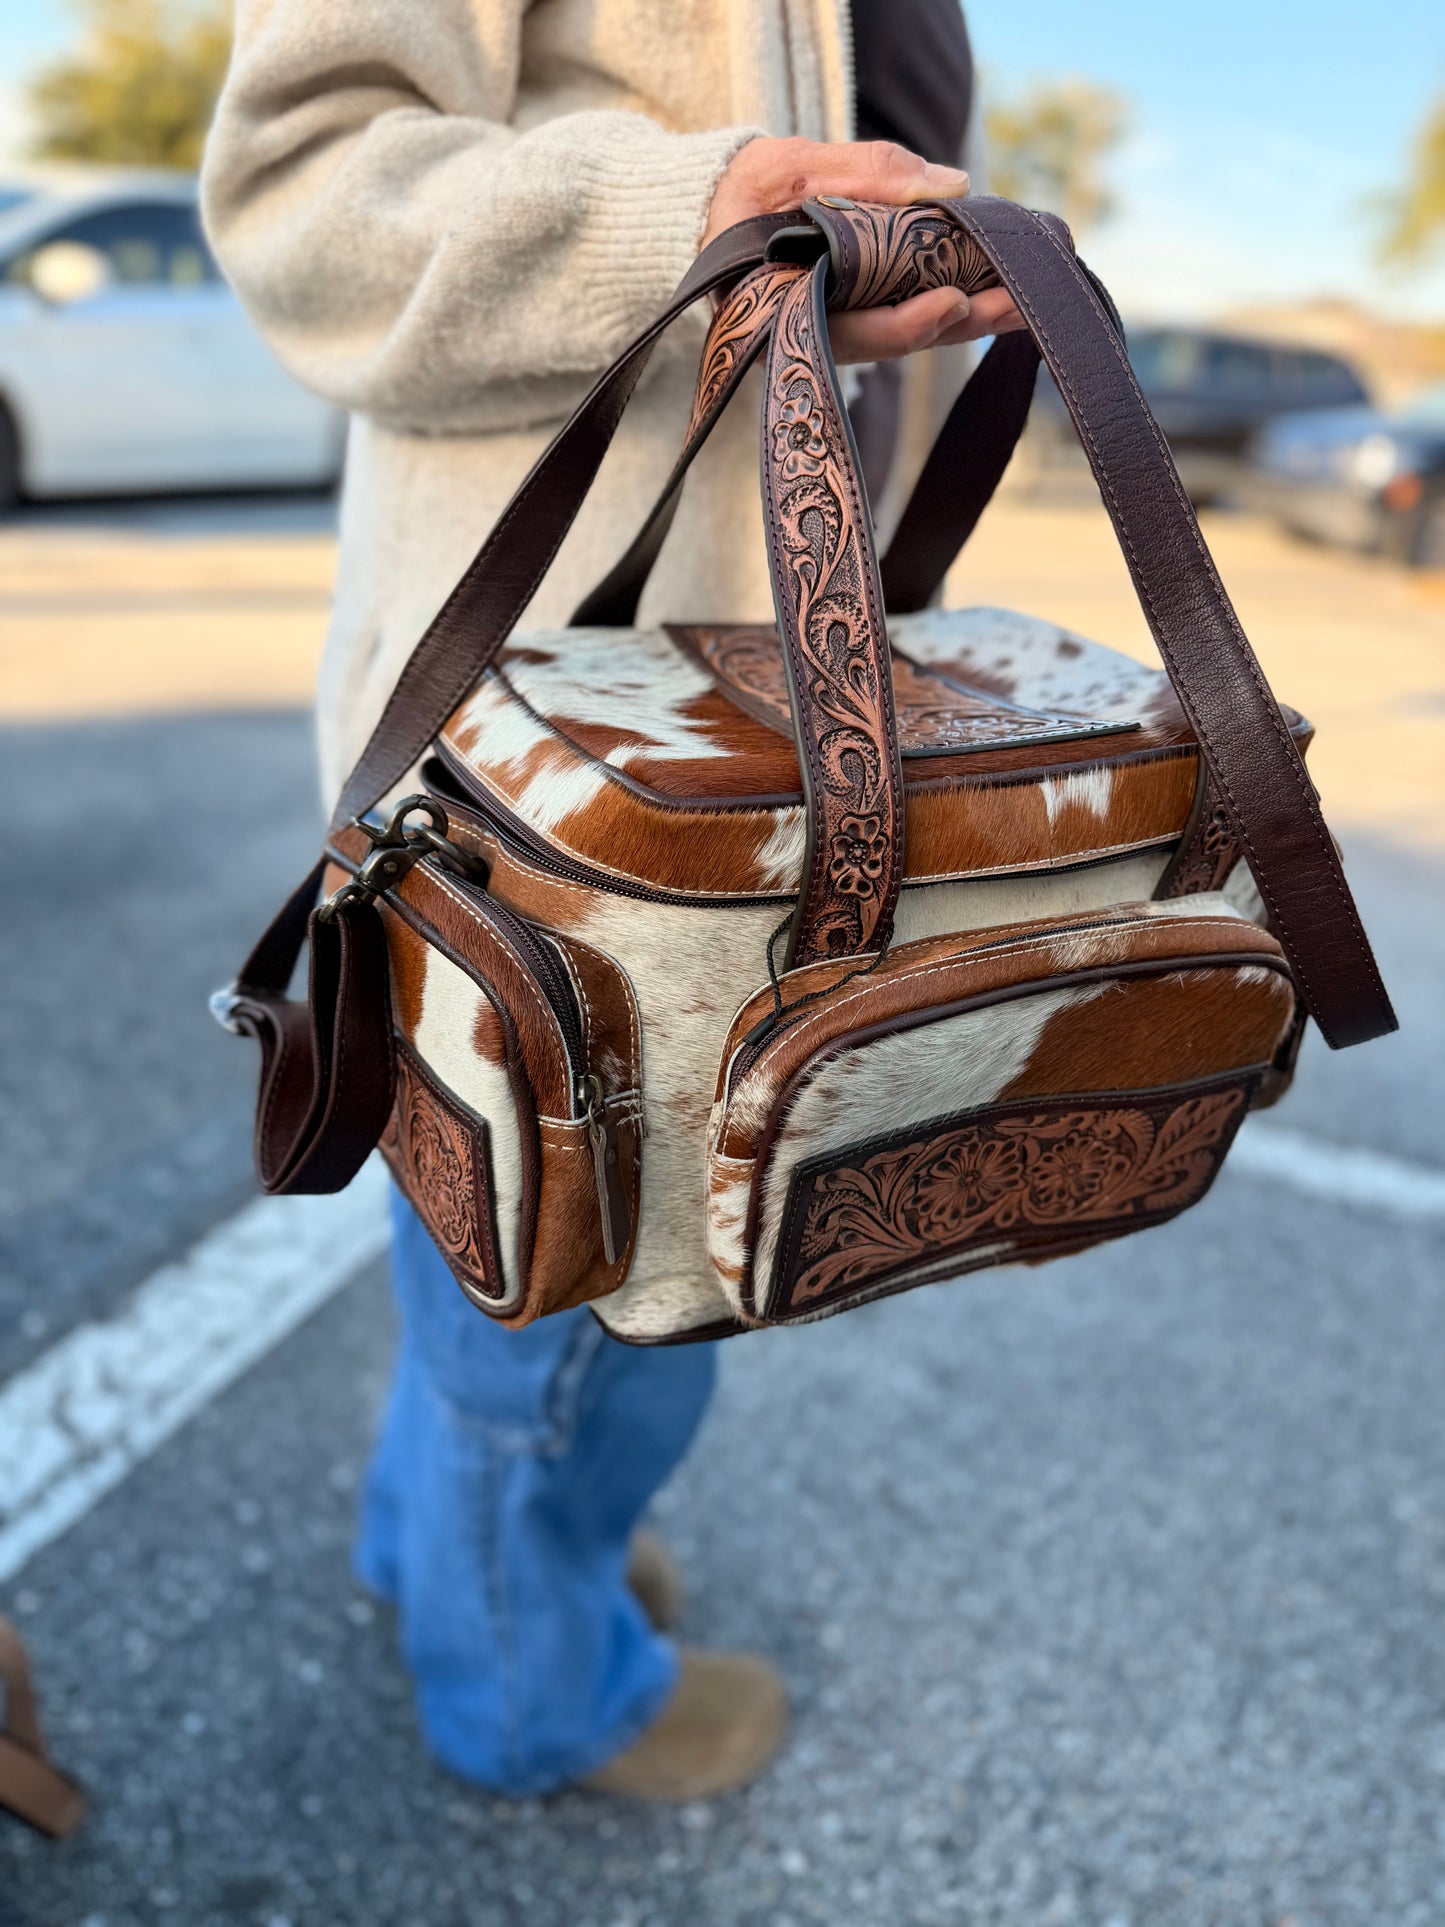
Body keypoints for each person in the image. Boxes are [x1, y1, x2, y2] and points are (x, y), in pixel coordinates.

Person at [202, 0, 1022, 1802]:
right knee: (590, 1293)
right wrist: (695, 218)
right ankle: (530, 1688)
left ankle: (462, 1561)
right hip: (563, 763)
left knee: (508, 1241)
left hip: (715, 746)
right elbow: (302, 185)